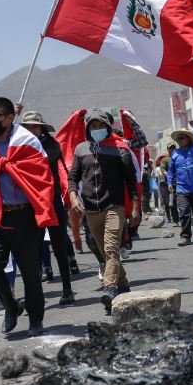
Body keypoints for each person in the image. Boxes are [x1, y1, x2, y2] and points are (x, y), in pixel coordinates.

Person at [0, 97, 57, 336]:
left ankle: (36, 318)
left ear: (8, 117)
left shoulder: (27, 141)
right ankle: (11, 306)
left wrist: (9, 166)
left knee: (30, 272)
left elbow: (43, 178)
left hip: (25, 217)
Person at [68, 109, 140, 314]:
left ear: (108, 128)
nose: (97, 129)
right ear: (87, 129)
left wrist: (135, 206)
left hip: (114, 207)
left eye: (100, 126)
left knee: (111, 249)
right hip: (90, 209)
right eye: (93, 126)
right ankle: (124, 285)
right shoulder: (81, 149)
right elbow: (73, 177)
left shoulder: (120, 149)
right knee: (105, 252)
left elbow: (131, 181)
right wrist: (73, 196)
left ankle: (110, 288)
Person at [18, 110, 77, 305]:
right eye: (26, 127)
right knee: (32, 250)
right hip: (28, 204)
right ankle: (35, 294)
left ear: (42, 128)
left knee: (59, 246)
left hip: (51, 202)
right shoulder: (17, 147)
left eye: (34, 126)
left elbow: (39, 162)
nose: (31, 130)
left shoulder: (51, 146)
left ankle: (67, 289)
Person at [167, 121, 193, 246]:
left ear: (189, 138)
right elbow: (171, 171)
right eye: (179, 138)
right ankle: (185, 236)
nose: (180, 139)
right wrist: (170, 182)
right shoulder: (175, 154)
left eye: (183, 137)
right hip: (182, 189)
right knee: (184, 212)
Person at [157, 145, 177, 223]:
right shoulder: (165, 159)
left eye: (173, 148)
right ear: (168, 149)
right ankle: (168, 217)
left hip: (175, 182)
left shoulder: (178, 157)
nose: (172, 149)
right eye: (170, 148)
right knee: (166, 201)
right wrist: (168, 175)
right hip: (164, 183)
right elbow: (162, 168)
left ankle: (175, 218)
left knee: (174, 201)